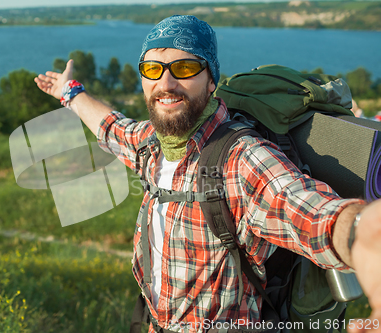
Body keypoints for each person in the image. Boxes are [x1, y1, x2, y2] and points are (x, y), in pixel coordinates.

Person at [35, 15, 381, 333]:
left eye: (184, 67)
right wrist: (70, 92)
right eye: (152, 69)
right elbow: (112, 127)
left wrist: (365, 235)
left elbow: (313, 214)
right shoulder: (153, 145)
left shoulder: (241, 160)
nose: (166, 82)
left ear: (211, 79)